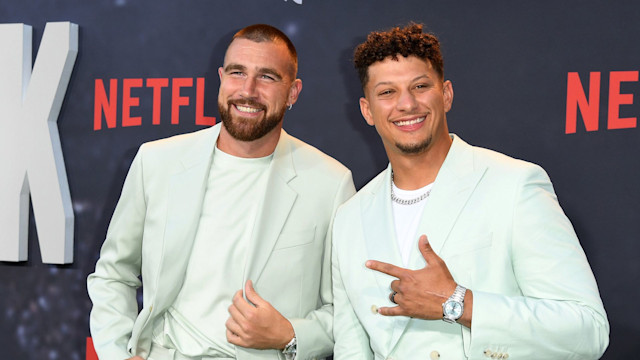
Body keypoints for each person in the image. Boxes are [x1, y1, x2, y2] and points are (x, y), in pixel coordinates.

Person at [331, 23, 609, 360]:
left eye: (420, 86)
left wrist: (458, 303)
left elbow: (588, 330)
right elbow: (352, 349)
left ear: (446, 94)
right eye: (387, 92)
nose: (406, 103)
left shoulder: (514, 185)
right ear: (366, 110)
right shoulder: (349, 217)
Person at [88, 24, 355, 360]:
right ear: (221, 77)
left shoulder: (330, 183)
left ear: (293, 92)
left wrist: (290, 335)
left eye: (267, 77)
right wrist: (117, 354)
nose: (248, 90)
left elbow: (348, 310)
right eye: (237, 72)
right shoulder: (157, 162)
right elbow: (113, 273)